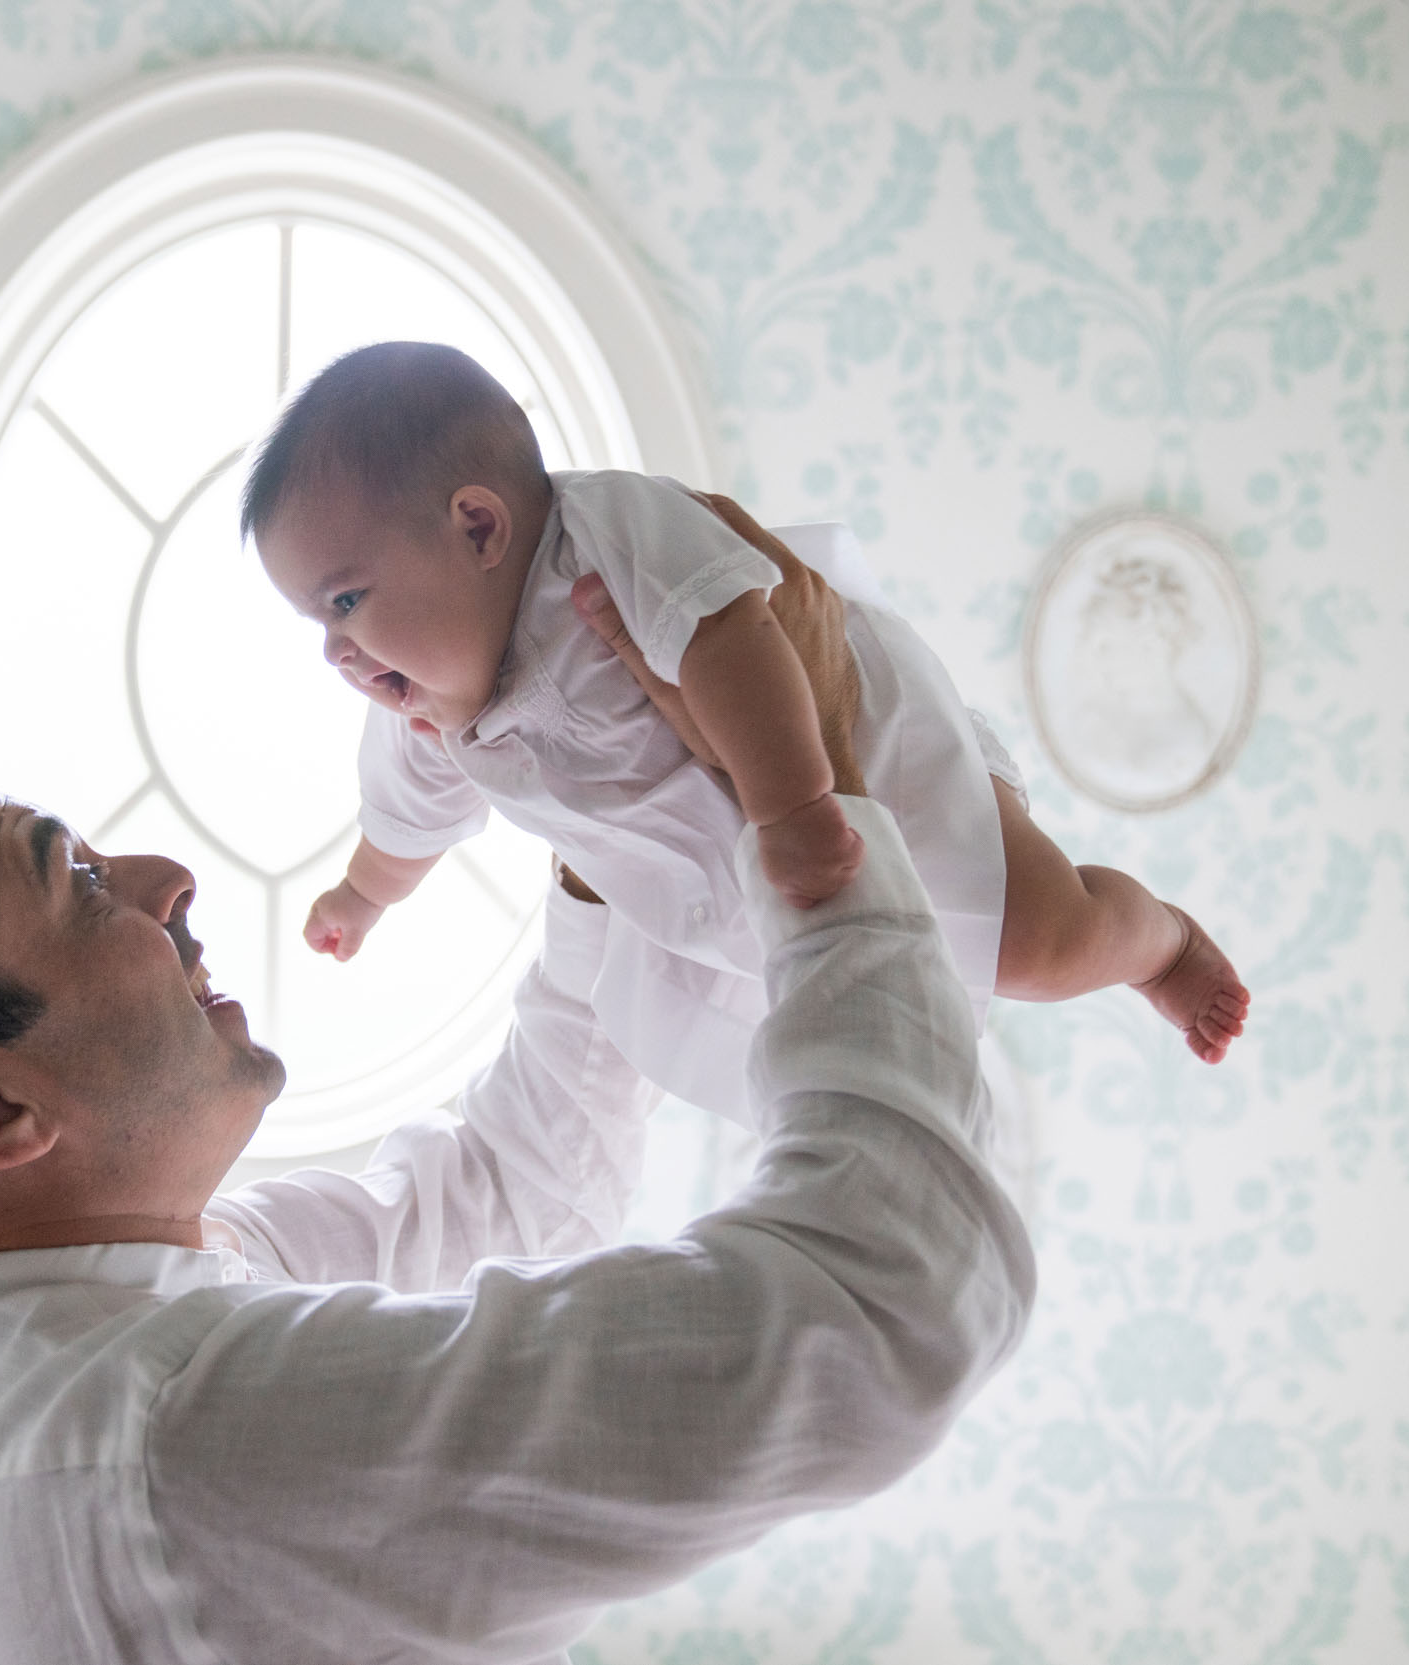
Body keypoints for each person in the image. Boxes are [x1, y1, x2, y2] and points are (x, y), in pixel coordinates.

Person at [0, 533, 1037, 1665]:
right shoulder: (176, 1437)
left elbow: (509, 1195)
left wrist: (601, 836)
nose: (166, 881)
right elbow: (884, 1307)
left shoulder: (49, 1349)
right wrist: (818, 805)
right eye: (77, 879)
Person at [253, 343, 1248, 1119]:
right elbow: (405, 823)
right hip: (748, 892)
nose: (335, 651)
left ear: (477, 528)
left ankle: (1158, 944)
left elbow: (733, 633)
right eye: (316, 621)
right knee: (826, 1042)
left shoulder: (594, 545)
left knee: (1038, 943)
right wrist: (360, 896)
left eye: (345, 599)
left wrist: (796, 802)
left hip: (857, 758)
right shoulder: (429, 718)